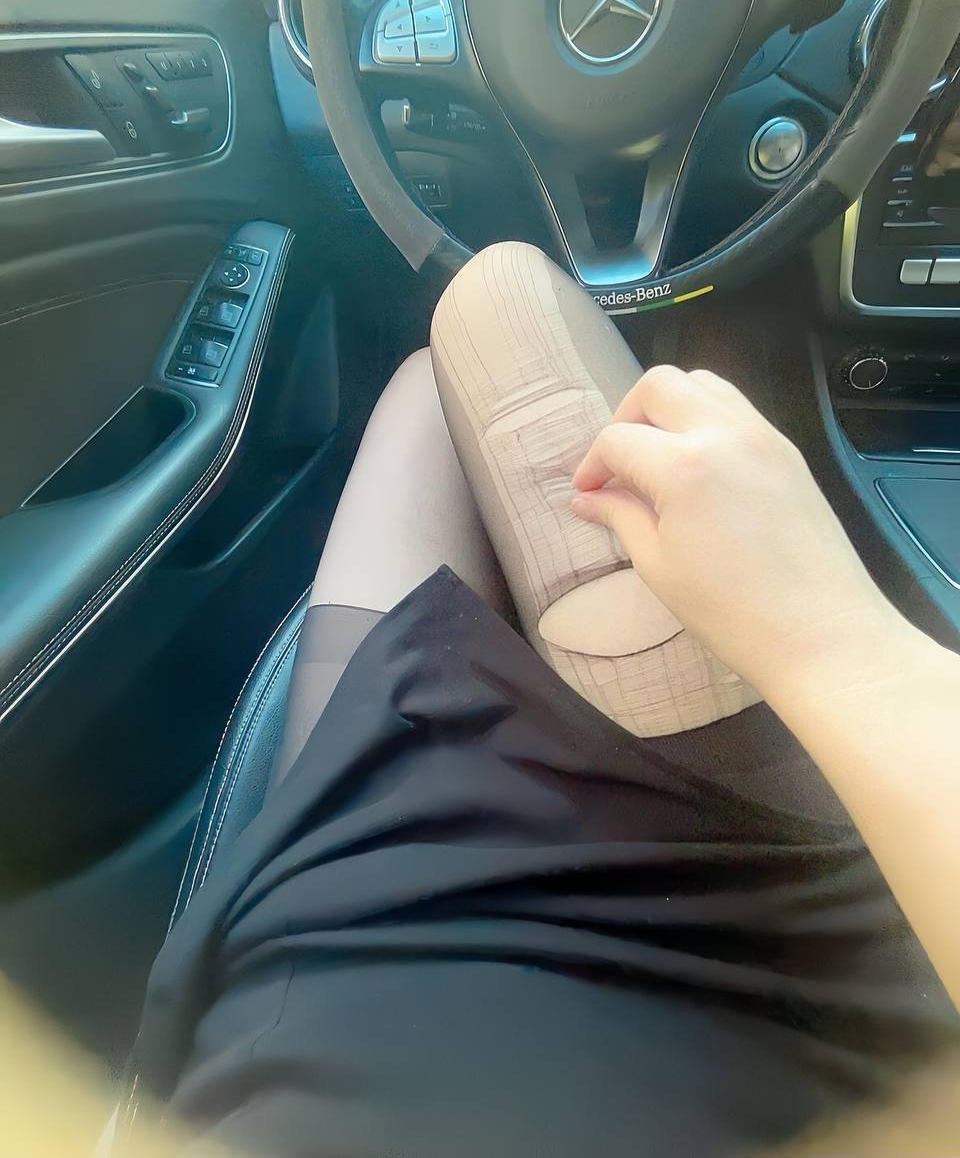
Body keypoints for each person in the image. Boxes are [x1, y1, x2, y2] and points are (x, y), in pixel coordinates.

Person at [10, 244, 957, 1157]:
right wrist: (829, 627)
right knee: (485, 329)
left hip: (347, 940)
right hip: (775, 952)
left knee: (462, 341)